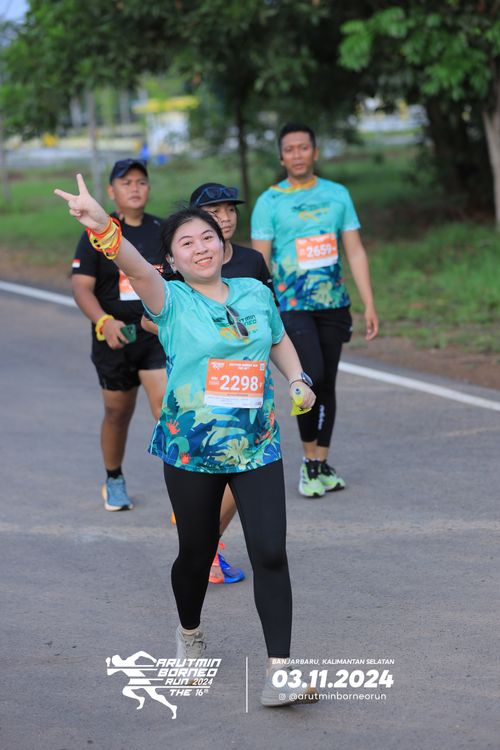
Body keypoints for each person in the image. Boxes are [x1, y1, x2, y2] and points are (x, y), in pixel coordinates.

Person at [55, 174, 319, 707]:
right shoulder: (169, 299)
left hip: (257, 445)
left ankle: (280, 672)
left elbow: (278, 340)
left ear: (222, 244)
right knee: (196, 553)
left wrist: (298, 378)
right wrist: (102, 225)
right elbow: (133, 265)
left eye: (208, 238)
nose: (201, 247)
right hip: (191, 450)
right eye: (186, 242)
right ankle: (190, 635)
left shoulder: (254, 292)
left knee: (271, 551)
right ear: (172, 260)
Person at [142, 182, 276, 585]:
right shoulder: (183, 267)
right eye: (214, 212)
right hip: (198, 383)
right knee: (212, 459)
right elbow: (151, 317)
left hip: (246, 390)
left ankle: (208, 534)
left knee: (243, 459)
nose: (225, 218)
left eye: (229, 211)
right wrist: (200, 333)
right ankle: (202, 533)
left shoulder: (251, 262)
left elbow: (269, 320)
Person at [251, 122, 379, 498]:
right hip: (291, 305)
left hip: (333, 303)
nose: (297, 155)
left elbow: (354, 250)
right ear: (281, 157)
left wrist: (369, 303)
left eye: (303, 148)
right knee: (311, 377)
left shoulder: (337, 195)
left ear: (315, 152)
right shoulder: (269, 202)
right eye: (289, 149)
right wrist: (261, 308)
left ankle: (321, 462)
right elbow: (260, 262)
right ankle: (308, 462)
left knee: (328, 383)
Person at [71, 159, 166, 510]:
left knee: (167, 409)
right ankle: (114, 479)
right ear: (112, 191)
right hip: (115, 336)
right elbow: (81, 287)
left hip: (155, 334)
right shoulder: (97, 230)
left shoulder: (163, 230)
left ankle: (187, 491)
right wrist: (103, 322)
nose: (135, 188)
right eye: (127, 183)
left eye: (141, 182)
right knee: (117, 413)